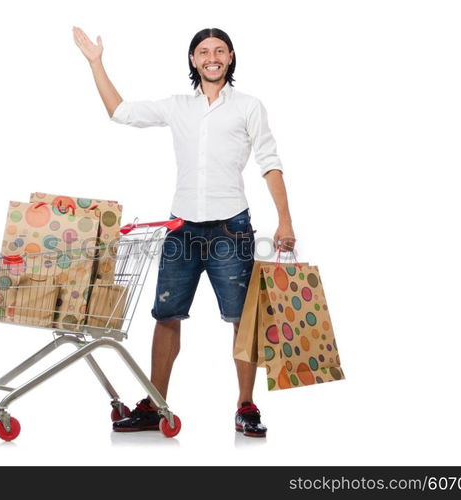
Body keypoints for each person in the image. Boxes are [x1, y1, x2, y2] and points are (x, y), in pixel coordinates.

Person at [73, 26, 296, 438]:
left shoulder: (249, 106)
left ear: (230, 58)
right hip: (182, 230)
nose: (212, 57)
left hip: (232, 229)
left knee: (240, 320)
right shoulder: (178, 107)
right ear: (193, 60)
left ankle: (246, 406)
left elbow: (270, 162)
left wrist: (285, 219)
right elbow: (119, 111)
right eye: (203, 51)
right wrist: (96, 63)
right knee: (166, 316)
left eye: (220, 51)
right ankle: (156, 404)